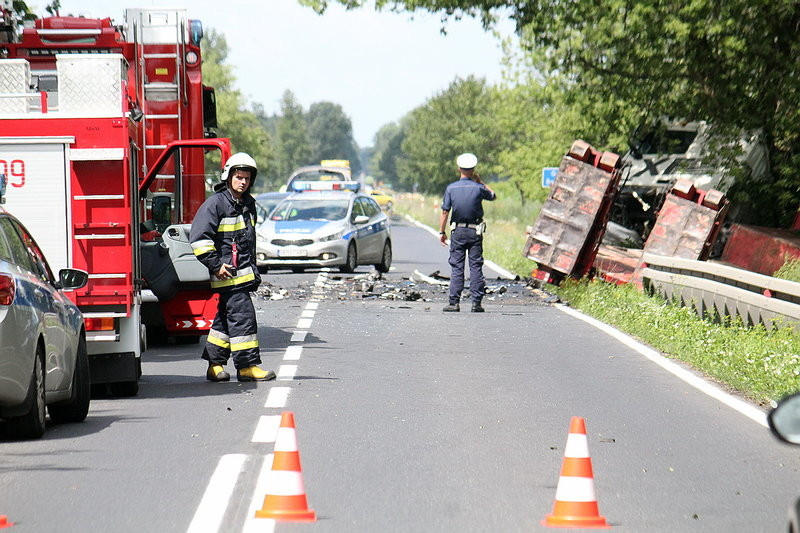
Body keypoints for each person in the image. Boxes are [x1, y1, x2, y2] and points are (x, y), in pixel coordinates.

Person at [190, 152, 276, 382]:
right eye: (238, 177)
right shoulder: (216, 204)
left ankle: (215, 365)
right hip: (227, 274)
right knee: (243, 317)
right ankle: (247, 366)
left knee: (225, 321)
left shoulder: (248, 204)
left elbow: (246, 242)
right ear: (228, 176)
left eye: (247, 178)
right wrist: (216, 265)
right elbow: (199, 239)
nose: (243, 182)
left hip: (242, 275)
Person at [438, 153, 496, 313]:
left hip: (458, 231)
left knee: (457, 266)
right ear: (473, 169)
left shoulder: (451, 188)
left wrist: (442, 232)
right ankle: (476, 303)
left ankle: (454, 303)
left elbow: (444, 212)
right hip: (475, 231)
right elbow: (493, 195)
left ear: (459, 169)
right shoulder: (478, 188)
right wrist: (480, 181)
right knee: (476, 265)